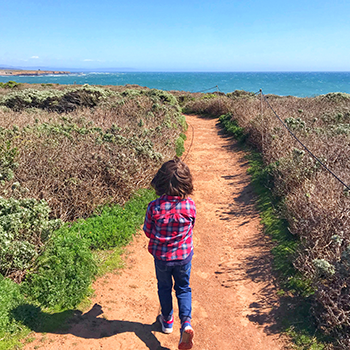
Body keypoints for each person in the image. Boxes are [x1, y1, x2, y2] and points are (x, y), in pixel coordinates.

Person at [143, 157, 196, 350]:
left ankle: (167, 321)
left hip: (162, 258)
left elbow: (148, 231)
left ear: (160, 182)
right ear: (186, 182)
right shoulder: (190, 206)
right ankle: (186, 323)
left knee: (164, 288)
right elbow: (192, 227)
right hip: (183, 257)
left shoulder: (154, 207)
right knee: (183, 288)